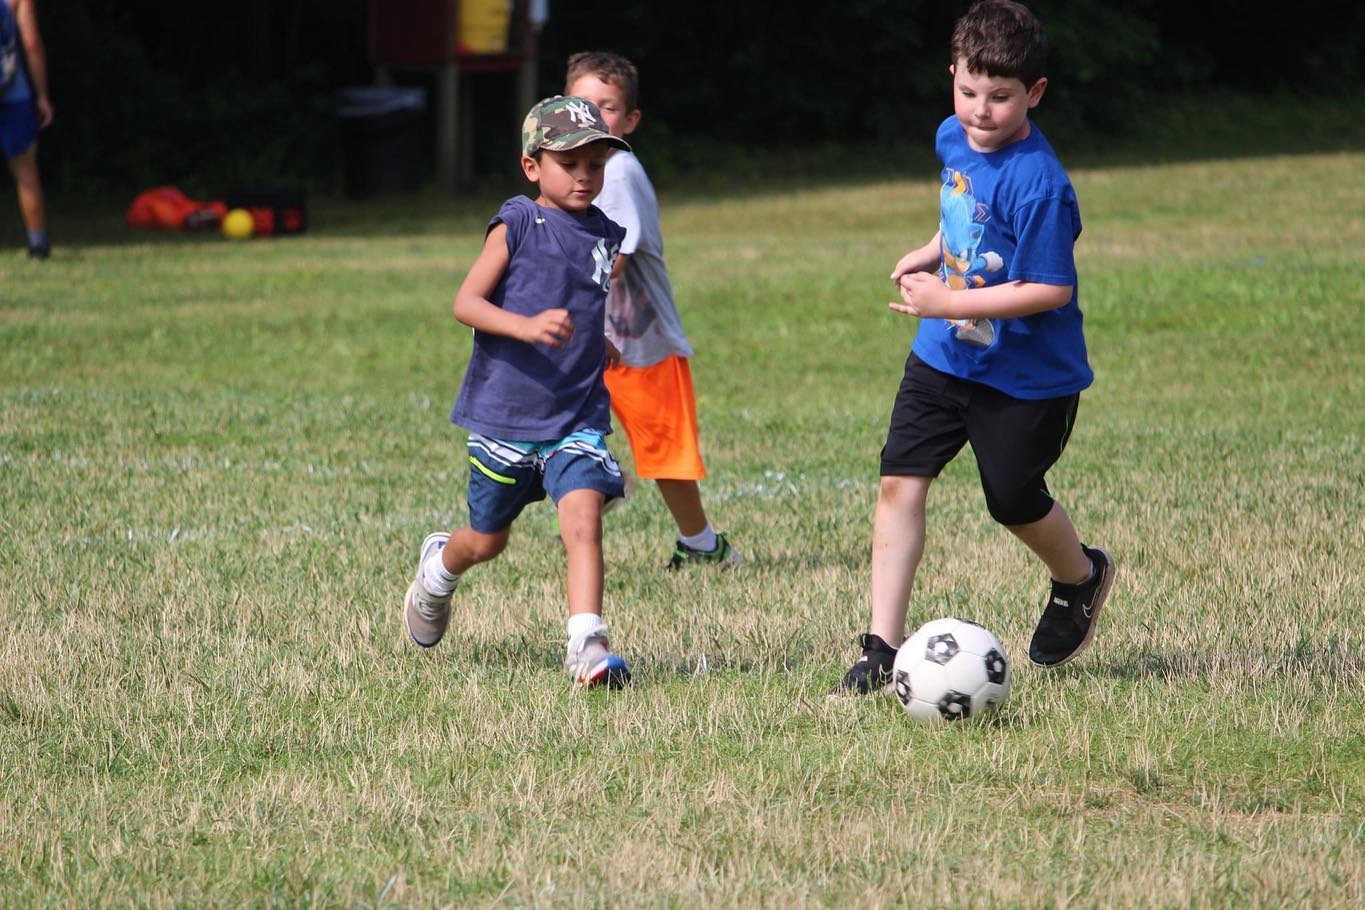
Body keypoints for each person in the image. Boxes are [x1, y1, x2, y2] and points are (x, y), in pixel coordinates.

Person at [835, 0, 1116, 694]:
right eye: (967, 91)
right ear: (951, 75)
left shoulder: (1041, 183)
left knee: (1011, 501)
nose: (980, 110)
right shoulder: (952, 137)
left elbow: (1048, 287)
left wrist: (950, 300)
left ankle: (1078, 577)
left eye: (1000, 96)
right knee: (900, 481)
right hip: (943, 355)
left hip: (1026, 377)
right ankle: (879, 647)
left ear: (1034, 93)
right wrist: (931, 249)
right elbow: (962, 213)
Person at [403, 95, 634, 688]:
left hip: (576, 415)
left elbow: (581, 300)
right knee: (486, 541)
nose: (585, 176)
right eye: (570, 164)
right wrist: (527, 327)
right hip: (506, 418)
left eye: (596, 164)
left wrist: (598, 341)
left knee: (583, 518)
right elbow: (466, 303)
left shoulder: (607, 234)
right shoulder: (517, 223)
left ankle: (587, 645)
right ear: (532, 167)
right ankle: (438, 573)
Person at [564, 52, 740, 571]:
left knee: (665, 455)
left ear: (630, 121)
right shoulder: (573, 170)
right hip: (597, 339)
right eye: (582, 105)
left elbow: (611, 263)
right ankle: (600, 479)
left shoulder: (616, 170)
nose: (594, 118)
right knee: (566, 426)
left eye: (608, 107)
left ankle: (704, 545)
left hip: (643, 345)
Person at [0, 0, 52, 259]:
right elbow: (30, 44)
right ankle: (38, 245)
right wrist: (42, 95)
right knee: (26, 172)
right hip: (13, 93)